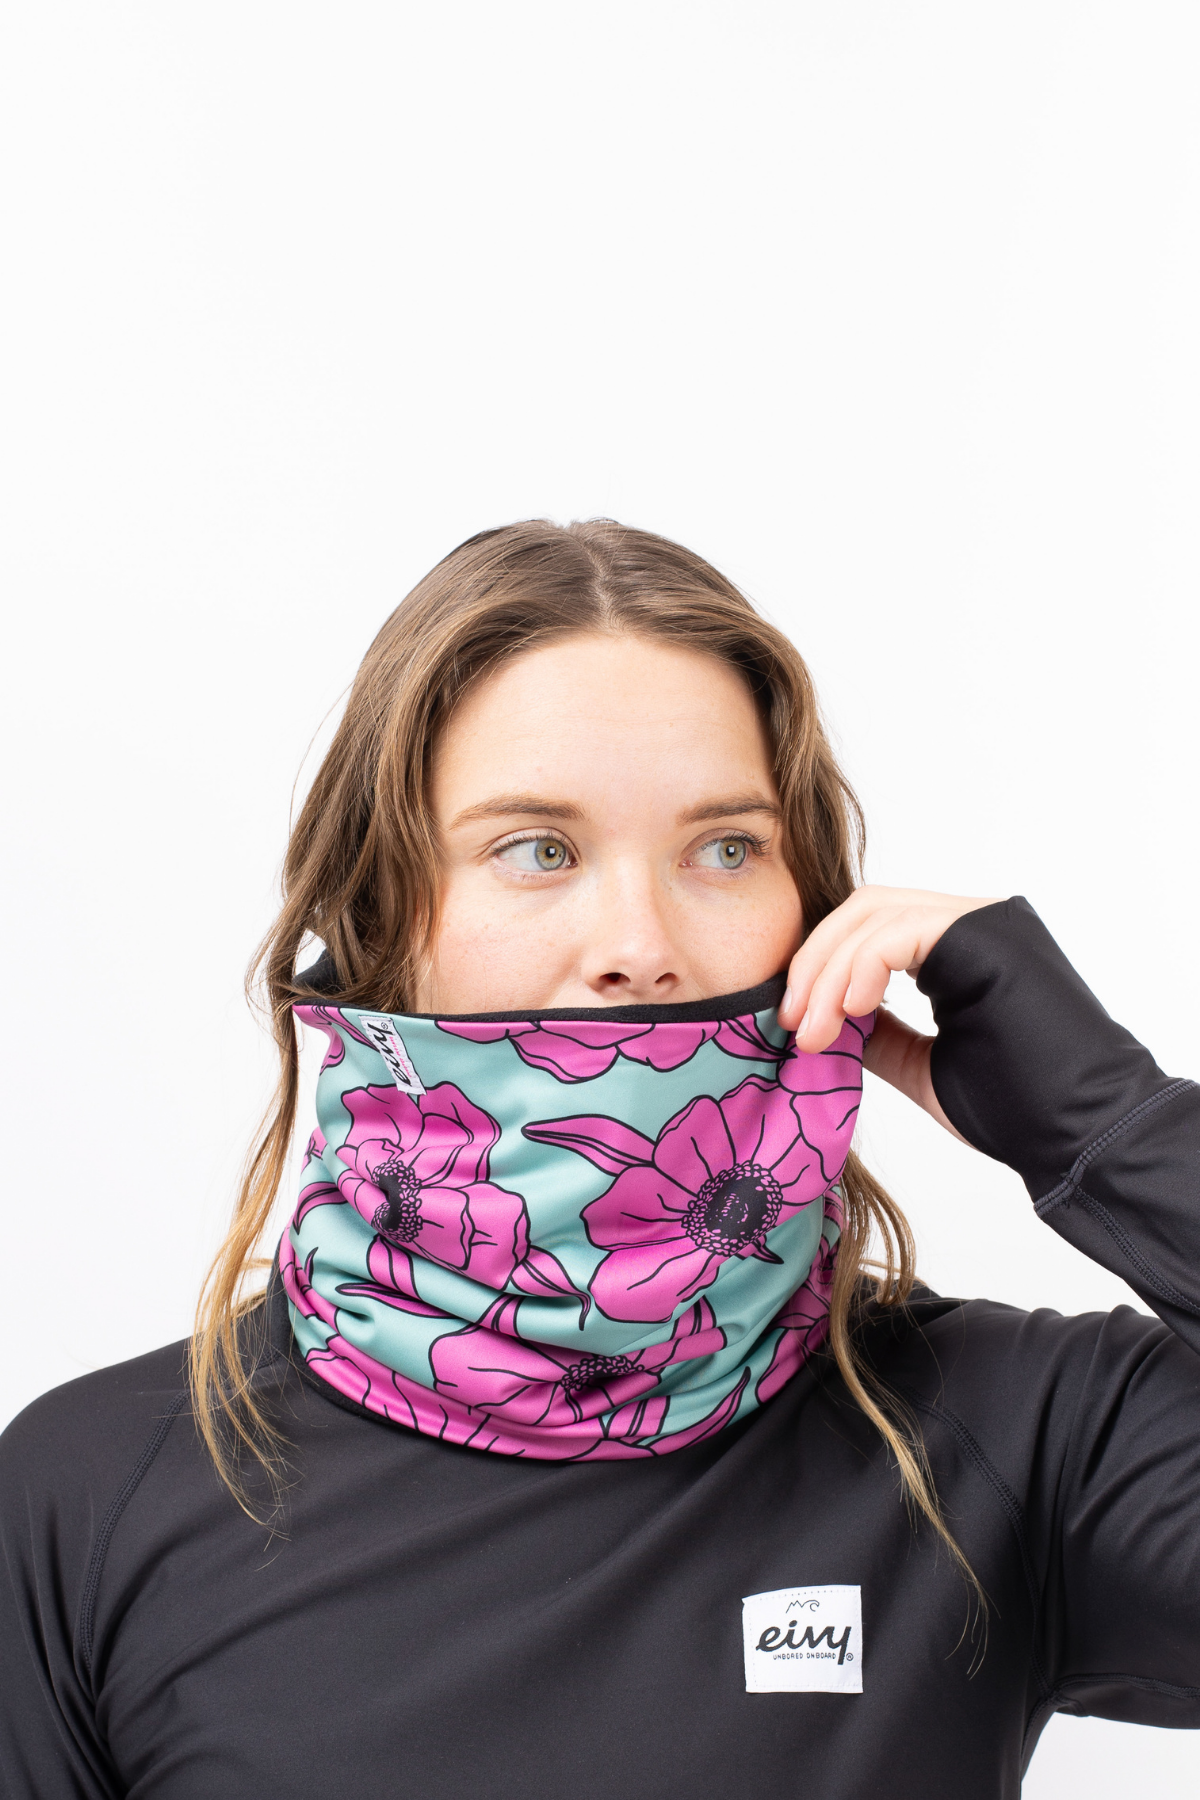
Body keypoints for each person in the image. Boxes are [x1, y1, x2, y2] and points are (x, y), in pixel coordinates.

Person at [1, 520, 1197, 1800]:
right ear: (379, 919)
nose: (640, 945)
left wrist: (1099, 1116)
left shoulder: (1018, 1437)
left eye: (725, 848)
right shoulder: (89, 1495)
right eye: (538, 849)